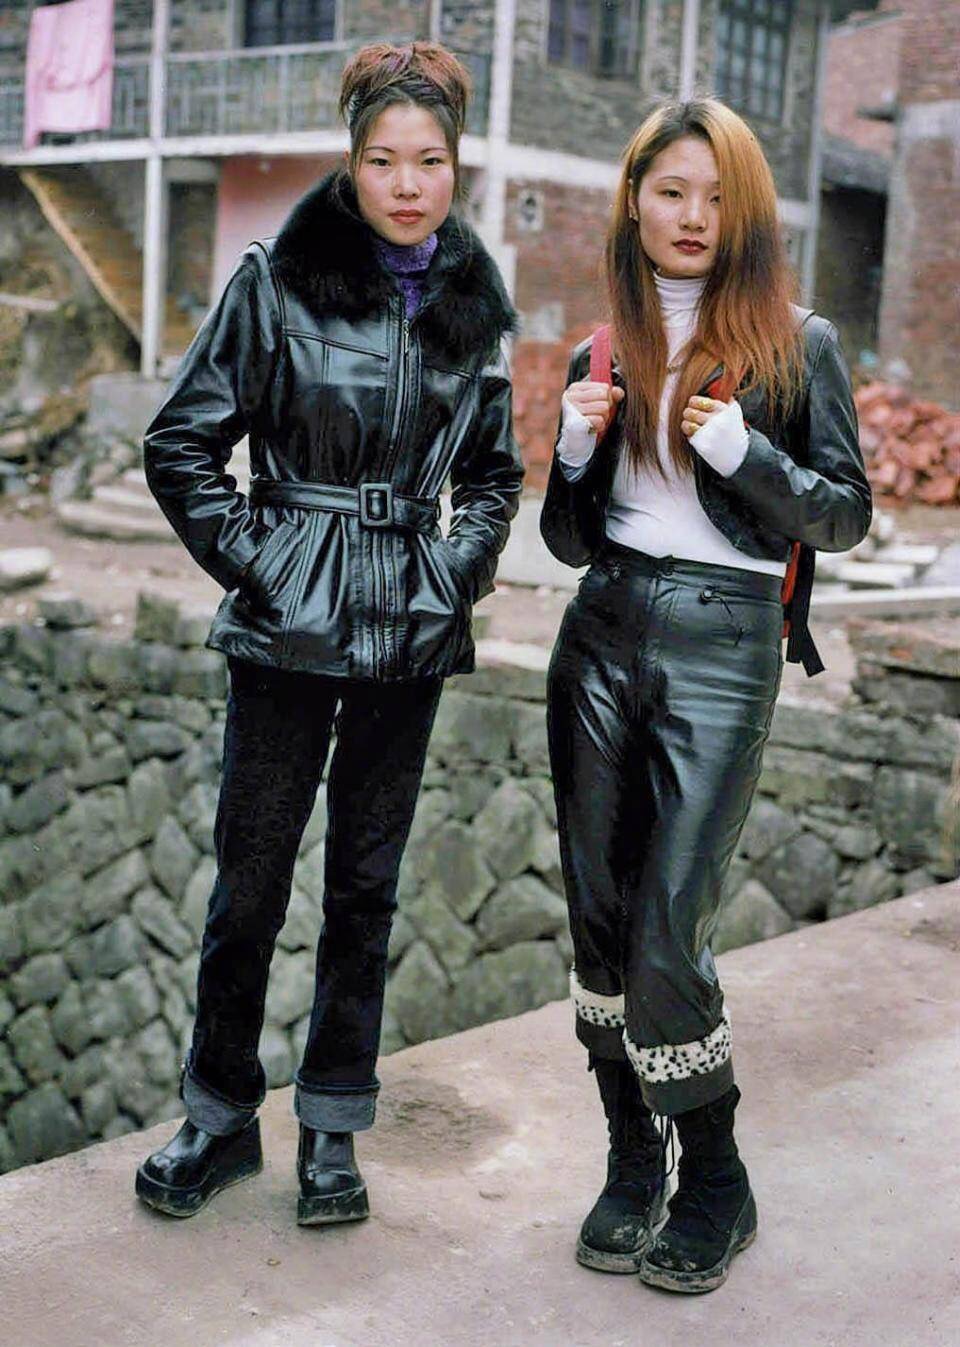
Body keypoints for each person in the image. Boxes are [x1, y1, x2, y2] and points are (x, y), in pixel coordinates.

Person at [135, 41, 522, 1225]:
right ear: (351, 162)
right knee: (250, 882)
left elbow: (494, 477)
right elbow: (181, 445)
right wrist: (266, 566)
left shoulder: (472, 308)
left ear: (457, 166)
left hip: (410, 626)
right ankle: (218, 1116)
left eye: (430, 162)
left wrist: (451, 573)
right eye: (384, 160)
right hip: (285, 626)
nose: (408, 184)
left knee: (366, 885)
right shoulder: (276, 281)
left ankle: (334, 1127)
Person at [541, 97, 870, 1293]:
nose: (693, 216)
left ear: (749, 213)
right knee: (598, 917)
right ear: (635, 200)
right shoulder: (601, 349)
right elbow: (567, 541)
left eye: (718, 197)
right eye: (672, 191)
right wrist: (572, 454)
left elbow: (847, 513)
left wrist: (746, 454)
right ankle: (634, 1160)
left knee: (669, 921)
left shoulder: (798, 344)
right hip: (600, 631)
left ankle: (718, 1182)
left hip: (726, 648)